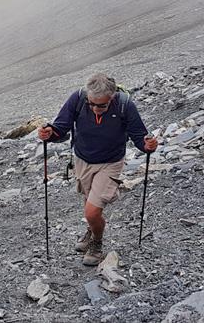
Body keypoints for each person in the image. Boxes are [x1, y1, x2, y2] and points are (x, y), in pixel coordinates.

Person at [39, 73, 157, 266]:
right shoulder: (78, 98)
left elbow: (139, 136)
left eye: (101, 105)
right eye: (91, 104)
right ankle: (92, 230)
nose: (95, 108)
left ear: (112, 98)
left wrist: (148, 146)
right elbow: (61, 128)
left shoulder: (124, 105)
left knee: (92, 211)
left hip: (111, 162)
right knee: (88, 204)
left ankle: (97, 243)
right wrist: (49, 133)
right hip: (82, 159)